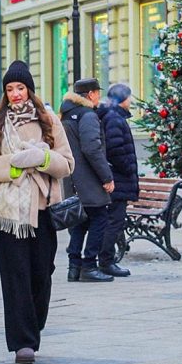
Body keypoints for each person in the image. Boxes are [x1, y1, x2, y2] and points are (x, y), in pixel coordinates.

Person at [0, 60, 74, 364]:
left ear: (29, 89)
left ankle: (33, 324)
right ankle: (22, 343)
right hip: (10, 216)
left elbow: (68, 164)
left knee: (42, 275)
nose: (15, 94)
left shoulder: (48, 120)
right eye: (10, 89)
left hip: (43, 211)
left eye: (20, 87)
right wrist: (14, 165)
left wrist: (42, 158)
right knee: (16, 278)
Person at [60, 78, 115, 283]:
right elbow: (92, 148)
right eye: (97, 93)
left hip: (72, 177)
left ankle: (74, 267)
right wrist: (106, 177)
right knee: (99, 218)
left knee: (79, 222)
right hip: (89, 178)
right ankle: (89, 266)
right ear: (90, 94)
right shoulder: (88, 115)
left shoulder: (66, 114)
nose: (99, 97)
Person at [95, 83, 139, 277]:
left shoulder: (114, 116)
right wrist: (128, 168)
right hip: (118, 179)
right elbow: (115, 149)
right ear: (122, 99)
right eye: (128, 97)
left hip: (117, 178)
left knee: (112, 220)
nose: (130, 101)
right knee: (114, 221)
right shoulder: (114, 118)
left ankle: (104, 259)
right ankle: (106, 261)